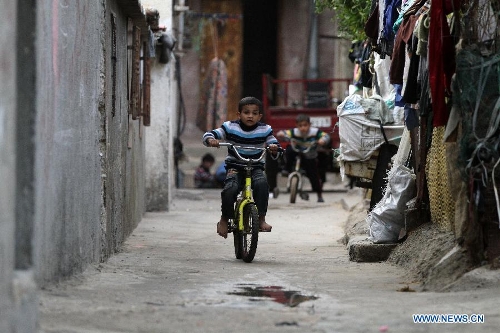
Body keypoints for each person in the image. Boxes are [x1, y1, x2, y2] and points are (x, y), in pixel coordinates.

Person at [202, 96, 282, 239]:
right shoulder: (230, 127)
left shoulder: (265, 129)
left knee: (262, 184)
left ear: (259, 116)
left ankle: (262, 219)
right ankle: (224, 219)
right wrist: (211, 139)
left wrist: (274, 148)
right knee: (230, 189)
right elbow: (211, 134)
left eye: (254, 113)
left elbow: (272, 142)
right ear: (239, 114)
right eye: (246, 112)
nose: (250, 116)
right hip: (235, 166)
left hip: (256, 166)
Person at [276, 114, 330, 203]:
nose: (303, 128)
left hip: (309, 155)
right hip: (297, 152)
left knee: (314, 175)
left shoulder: (314, 132)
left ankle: (319, 194)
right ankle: (287, 168)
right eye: (300, 126)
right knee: (289, 149)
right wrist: (281, 134)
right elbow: (284, 133)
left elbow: (326, 136)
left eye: (305, 125)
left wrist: (322, 140)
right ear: (297, 126)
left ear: (309, 125)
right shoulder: (294, 132)